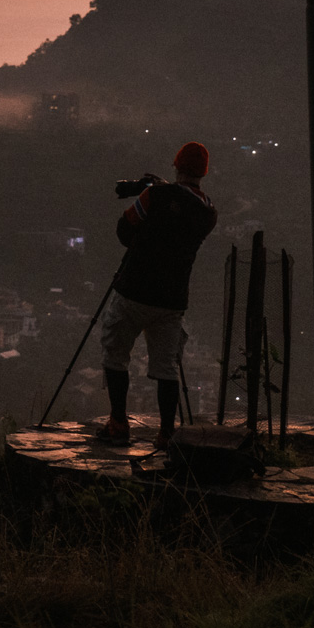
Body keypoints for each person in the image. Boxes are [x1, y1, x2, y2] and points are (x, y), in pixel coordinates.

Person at [96, 142, 217, 448]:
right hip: (172, 300)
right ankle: (166, 433)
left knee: (116, 355)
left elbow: (124, 229)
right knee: (166, 367)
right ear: (203, 172)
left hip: (133, 290)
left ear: (177, 165)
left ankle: (118, 424)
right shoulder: (208, 212)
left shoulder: (155, 195)